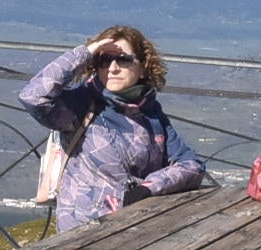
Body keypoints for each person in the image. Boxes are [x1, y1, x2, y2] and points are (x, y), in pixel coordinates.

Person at [20, 25, 209, 230]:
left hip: (133, 227)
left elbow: (191, 165)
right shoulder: (81, 104)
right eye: (104, 60)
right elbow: (33, 97)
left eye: (124, 59)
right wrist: (86, 53)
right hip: (82, 233)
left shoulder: (150, 112)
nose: (113, 68)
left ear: (143, 66)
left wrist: (150, 187)